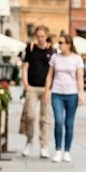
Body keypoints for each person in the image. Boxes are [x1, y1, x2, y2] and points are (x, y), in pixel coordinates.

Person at [43, 34, 84, 163]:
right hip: (57, 92)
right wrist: (47, 91)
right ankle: (58, 150)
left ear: (68, 44)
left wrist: (81, 94)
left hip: (72, 93)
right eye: (59, 43)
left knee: (69, 123)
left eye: (61, 43)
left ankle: (67, 151)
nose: (59, 45)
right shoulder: (55, 58)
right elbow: (50, 75)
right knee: (59, 121)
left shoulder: (77, 59)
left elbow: (80, 77)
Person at [21, 25, 54, 159]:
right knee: (30, 115)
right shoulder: (31, 49)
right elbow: (25, 67)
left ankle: (44, 145)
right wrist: (26, 84)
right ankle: (29, 141)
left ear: (46, 36)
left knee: (45, 118)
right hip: (32, 87)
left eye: (42, 36)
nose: (40, 39)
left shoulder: (51, 50)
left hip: (46, 88)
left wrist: (50, 88)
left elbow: (52, 71)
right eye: (38, 36)